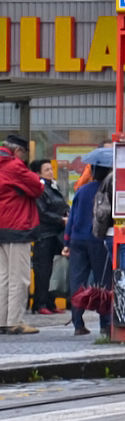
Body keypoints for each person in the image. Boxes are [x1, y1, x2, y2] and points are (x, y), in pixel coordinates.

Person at [0, 134, 43, 335]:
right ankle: (15, 321)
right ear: (18, 151)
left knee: (3, 277)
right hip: (16, 227)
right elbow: (38, 187)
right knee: (19, 277)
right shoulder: (14, 166)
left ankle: (2, 320)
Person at [63, 165, 112, 336]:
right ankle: (105, 323)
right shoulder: (109, 189)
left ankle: (78, 323)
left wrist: (66, 241)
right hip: (99, 240)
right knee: (103, 282)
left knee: (77, 281)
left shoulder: (82, 190)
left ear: (92, 173)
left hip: (77, 239)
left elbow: (72, 217)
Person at [29, 158, 68, 315]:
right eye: (47, 170)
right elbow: (42, 212)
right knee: (43, 270)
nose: (51, 172)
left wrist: (67, 215)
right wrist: (61, 219)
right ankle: (40, 303)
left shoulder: (53, 186)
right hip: (44, 234)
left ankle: (50, 301)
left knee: (55, 269)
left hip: (56, 233)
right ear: (38, 173)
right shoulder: (40, 189)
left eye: (51, 169)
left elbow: (62, 204)